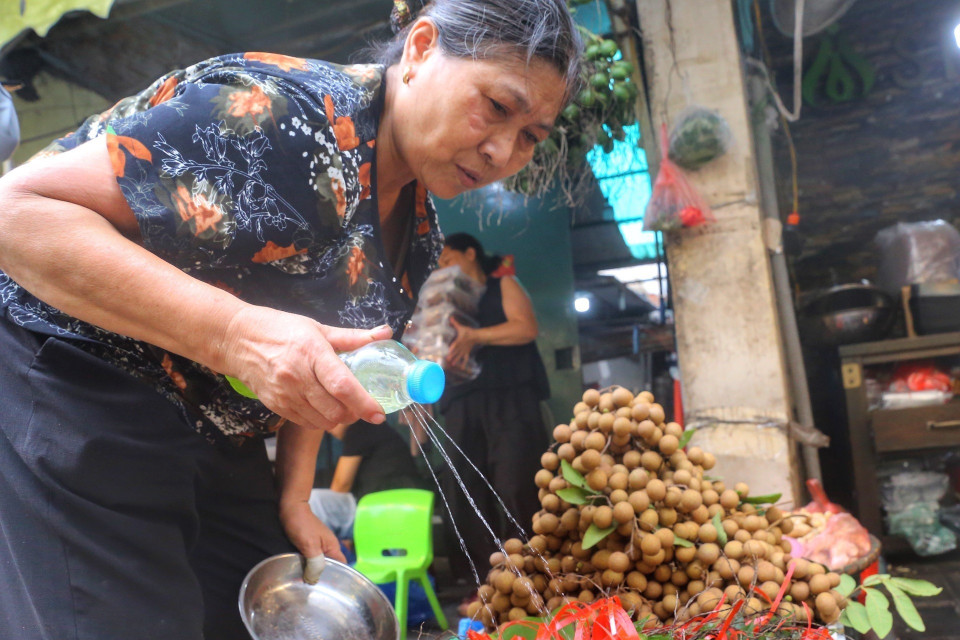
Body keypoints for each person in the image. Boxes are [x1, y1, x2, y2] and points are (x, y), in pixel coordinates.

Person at [0, 0, 582, 637]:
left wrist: (296, 495)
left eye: (531, 136)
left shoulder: (416, 232)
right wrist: (232, 334)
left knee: (270, 605)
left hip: (216, 418)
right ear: (419, 49)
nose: (502, 150)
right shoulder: (285, 121)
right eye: (497, 107)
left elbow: (335, 354)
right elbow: (18, 215)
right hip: (74, 370)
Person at [436, 233, 551, 583]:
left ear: (471, 253)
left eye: (448, 259)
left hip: (510, 398)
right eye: (439, 265)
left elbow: (526, 328)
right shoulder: (443, 303)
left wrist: (476, 336)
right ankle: (485, 582)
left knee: (517, 480)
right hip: (459, 402)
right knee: (465, 488)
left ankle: (537, 571)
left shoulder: (503, 285)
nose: (443, 268)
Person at [308, 419, 428, 541]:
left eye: (330, 421)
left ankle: (320, 552)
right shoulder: (378, 430)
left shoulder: (360, 427)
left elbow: (341, 485)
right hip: (402, 507)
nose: (328, 429)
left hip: (384, 509)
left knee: (315, 501)